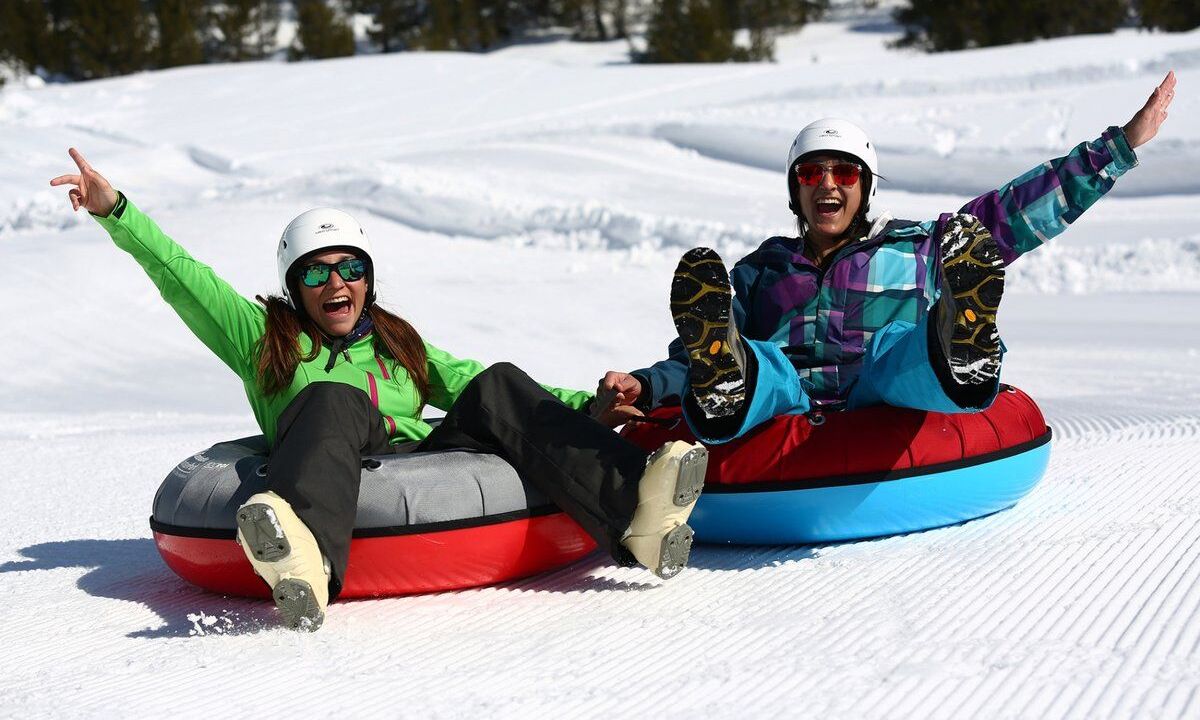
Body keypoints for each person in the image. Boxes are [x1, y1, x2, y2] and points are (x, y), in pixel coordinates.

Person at [50, 151, 709, 631]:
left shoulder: (398, 342)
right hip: (328, 451)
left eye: (350, 268)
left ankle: (639, 516)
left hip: (417, 457)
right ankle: (305, 563)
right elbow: (185, 277)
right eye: (317, 274)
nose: (336, 284)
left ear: (367, 279)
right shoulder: (264, 337)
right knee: (333, 398)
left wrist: (589, 407)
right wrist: (118, 213)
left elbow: (481, 390)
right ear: (295, 286)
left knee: (498, 380)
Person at [595, 72, 1177, 443]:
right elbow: (690, 355)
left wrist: (1117, 148)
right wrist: (646, 386)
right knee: (761, 364)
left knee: (898, 352)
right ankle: (731, 385)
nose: (828, 183)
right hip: (787, 401)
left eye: (844, 172)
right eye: (811, 174)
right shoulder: (762, 270)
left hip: (880, 391)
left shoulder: (918, 247)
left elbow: (1015, 212)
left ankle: (957, 346)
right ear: (796, 191)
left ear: (866, 186)